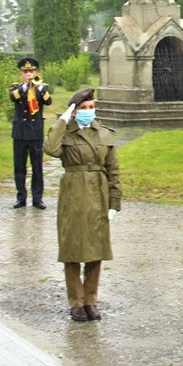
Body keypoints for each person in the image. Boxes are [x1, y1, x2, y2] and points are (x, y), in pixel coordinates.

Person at [44, 88, 121, 322]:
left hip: (98, 194)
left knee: (96, 250)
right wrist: (63, 119)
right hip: (73, 194)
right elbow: (50, 149)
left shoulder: (104, 133)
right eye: (83, 108)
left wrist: (114, 203)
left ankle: (90, 300)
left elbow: (113, 170)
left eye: (91, 107)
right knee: (72, 249)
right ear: (75, 111)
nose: (89, 111)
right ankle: (76, 302)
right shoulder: (66, 132)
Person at [9, 57, 52, 209]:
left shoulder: (43, 88)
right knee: (19, 167)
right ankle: (21, 198)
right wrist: (25, 87)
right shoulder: (16, 87)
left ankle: (37, 199)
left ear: (36, 72)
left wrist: (38, 87)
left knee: (37, 167)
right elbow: (13, 97)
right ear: (21, 74)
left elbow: (48, 101)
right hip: (20, 132)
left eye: (31, 71)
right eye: (26, 72)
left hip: (35, 133)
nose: (29, 74)